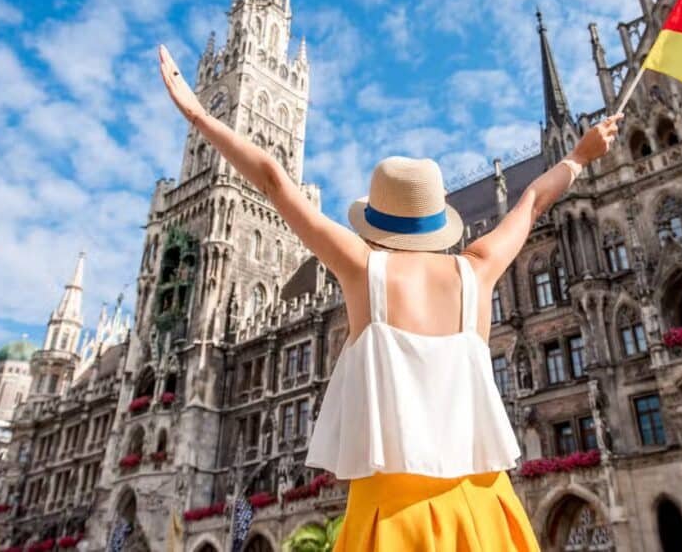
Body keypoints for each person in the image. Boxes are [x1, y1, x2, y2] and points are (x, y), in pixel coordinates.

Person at [158, 45, 621, 550]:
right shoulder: (478, 269)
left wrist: (198, 115)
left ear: (376, 224)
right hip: (485, 510)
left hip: (391, 517)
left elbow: (274, 180)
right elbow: (532, 202)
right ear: (436, 222)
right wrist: (579, 155)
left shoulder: (363, 271)